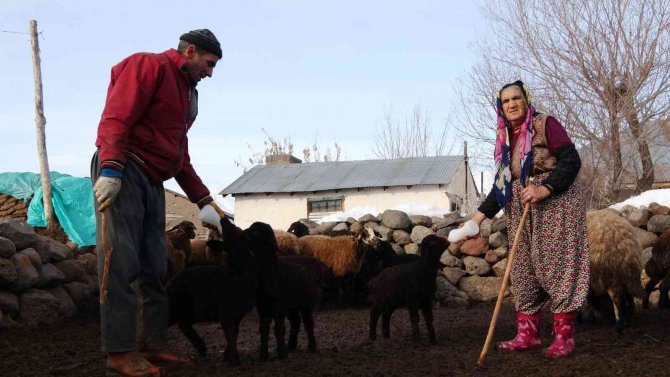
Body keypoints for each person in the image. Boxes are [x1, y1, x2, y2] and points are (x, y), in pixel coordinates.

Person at [91, 28, 225, 376]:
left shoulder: (187, 93)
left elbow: (179, 154)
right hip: (125, 168)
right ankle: (119, 352)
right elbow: (117, 116)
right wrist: (111, 167)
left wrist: (204, 200)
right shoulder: (149, 66)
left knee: (157, 263)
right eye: (209, 64)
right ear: (190, 51)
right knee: (119, 259)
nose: (211, 72)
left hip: (153, 179)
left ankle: (153, 342)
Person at [458, 80, 589, 358]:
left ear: (526, 99)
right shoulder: (506, 138)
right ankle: (527, 334)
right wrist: (478, 218)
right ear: (500, 107)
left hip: (556, 203)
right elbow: (504, 186)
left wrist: (545, 188)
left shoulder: (544, 124)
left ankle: (564, 337)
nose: (512, 104)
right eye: (505, 101)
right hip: (521, 205)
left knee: (556, 263)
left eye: (517, 98)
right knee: (522, 267)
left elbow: (571, 161)